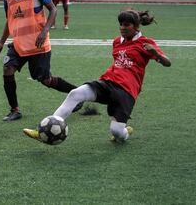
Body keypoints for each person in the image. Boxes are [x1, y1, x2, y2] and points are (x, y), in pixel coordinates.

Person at [24, 9, 171, 143]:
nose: (122, 28)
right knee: (76, 93)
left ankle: (125, 131)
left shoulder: (146, 43)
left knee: (117, 132)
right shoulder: (117, 42)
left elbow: (167, 63)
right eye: (121, 24)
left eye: (126, 25)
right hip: (108, 82)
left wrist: (156, 53)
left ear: (136, 26)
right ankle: (44, 130)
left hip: (126, 91)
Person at [0, 0, 82, 122]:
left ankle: (78, 95)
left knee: (45, 80)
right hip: (18, 45)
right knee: (7, 69)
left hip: (38, 44)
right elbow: (9, 20)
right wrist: (1, 43)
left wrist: (45, 30)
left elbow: (53, 9)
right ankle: (15, 110)